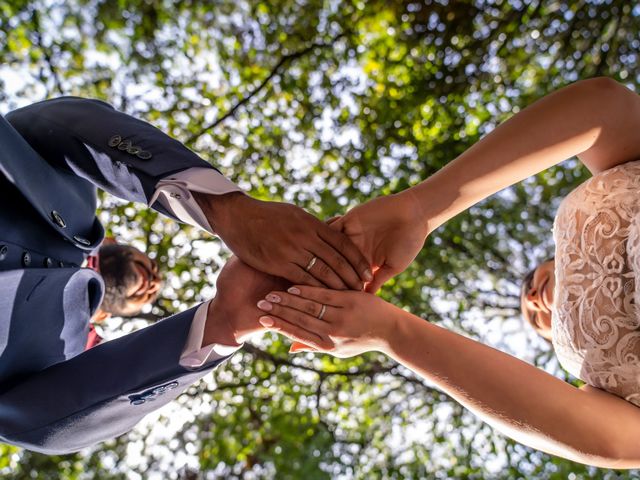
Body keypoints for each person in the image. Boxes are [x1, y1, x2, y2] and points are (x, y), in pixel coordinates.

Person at [253, 77, 640, 468]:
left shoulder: (614, 181)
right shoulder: (596, 376)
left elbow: (605, 109)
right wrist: (391, 331)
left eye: (534, 283)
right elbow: (612, 440)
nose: (533, 300)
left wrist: (419, 209)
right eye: (539, 321)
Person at [0, 96, 370, 454]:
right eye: (150, 265)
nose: (154, 281)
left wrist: (225, 322)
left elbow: (43, 425)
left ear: (108, 317)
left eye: (149, 293)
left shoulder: (71, 361)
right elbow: (50, 120)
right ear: (110, 240)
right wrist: (228, 210)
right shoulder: (70, 194)